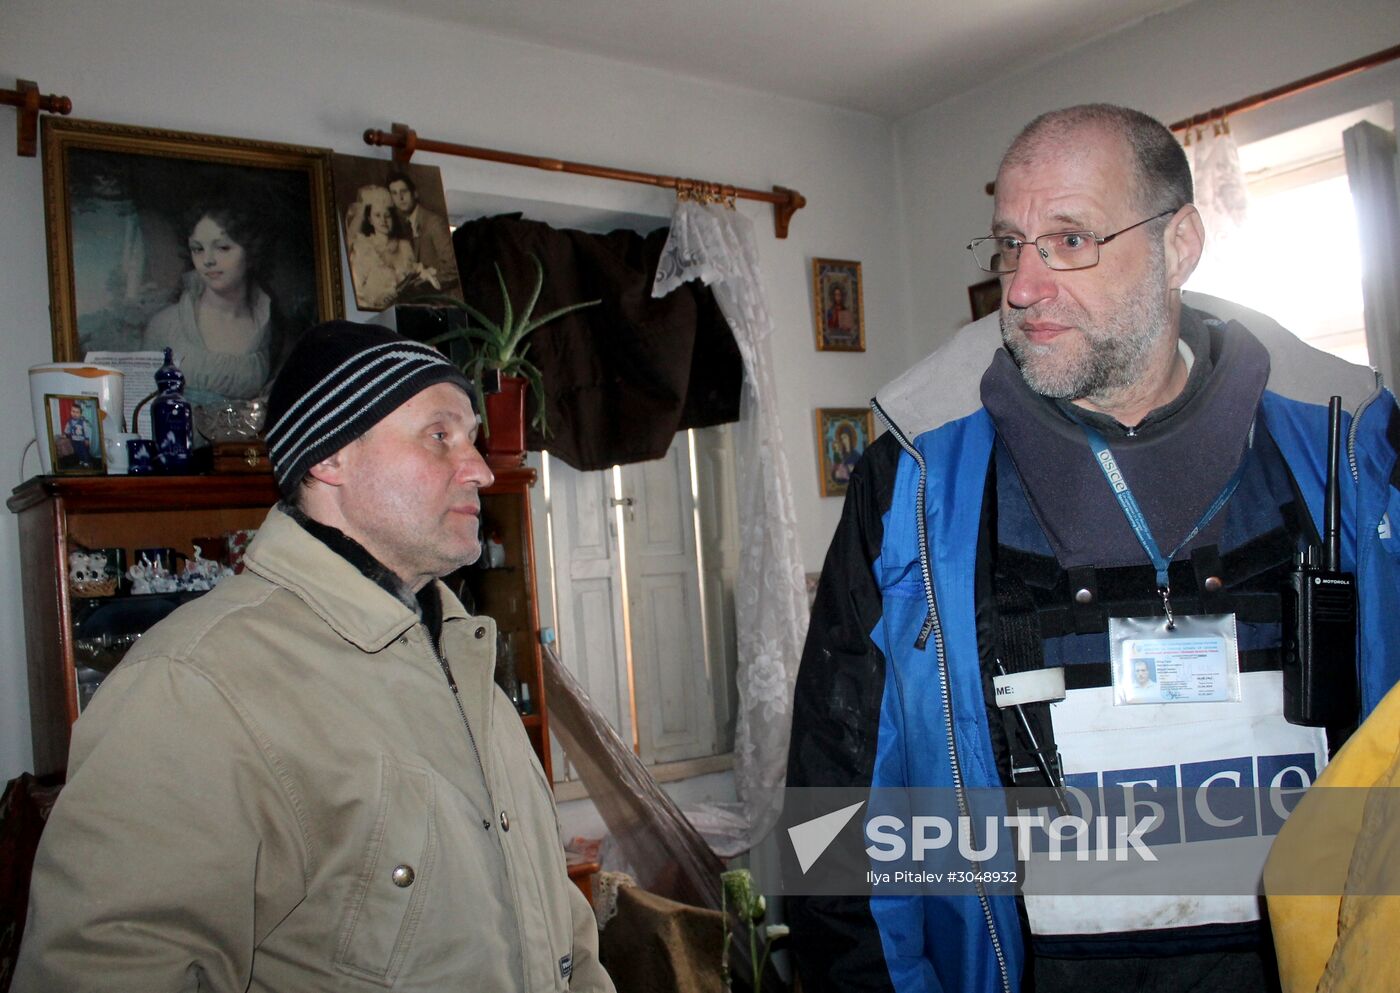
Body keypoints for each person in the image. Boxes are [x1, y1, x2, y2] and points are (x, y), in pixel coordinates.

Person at [786, 104, 1400, 993]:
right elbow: (832, 812)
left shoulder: (1357, 454)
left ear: (1179, 245)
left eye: (1070, 239)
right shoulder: (911, 480)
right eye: (1009, 244)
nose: (1022, 286)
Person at [14, 322, 614, 992]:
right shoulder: (194, 685)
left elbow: (559, 931)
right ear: (329, 458)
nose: (479, 467)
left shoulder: (465, 657)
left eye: (472, 437)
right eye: (440, 435)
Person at [141, 203, 274, 406]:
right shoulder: (164, 325)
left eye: (222, 247)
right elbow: (142, 409)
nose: (208, 260)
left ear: (250, 251)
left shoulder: (268, 326)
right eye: (198, 249)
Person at [347, 184, 433, 310]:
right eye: (377, 215)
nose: (383, 220)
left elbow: (411, 281)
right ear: (370, 220)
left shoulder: (404, 247)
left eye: (387, 215)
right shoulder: (363, 247)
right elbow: (358, 291)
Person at [387, 169, 460, 297]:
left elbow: (453, 269)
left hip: (445, 299)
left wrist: (420, 282)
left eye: (404, 191)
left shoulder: (434, 223)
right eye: (394, 193)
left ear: (414, 193)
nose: (400, 198)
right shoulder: (402, 226)